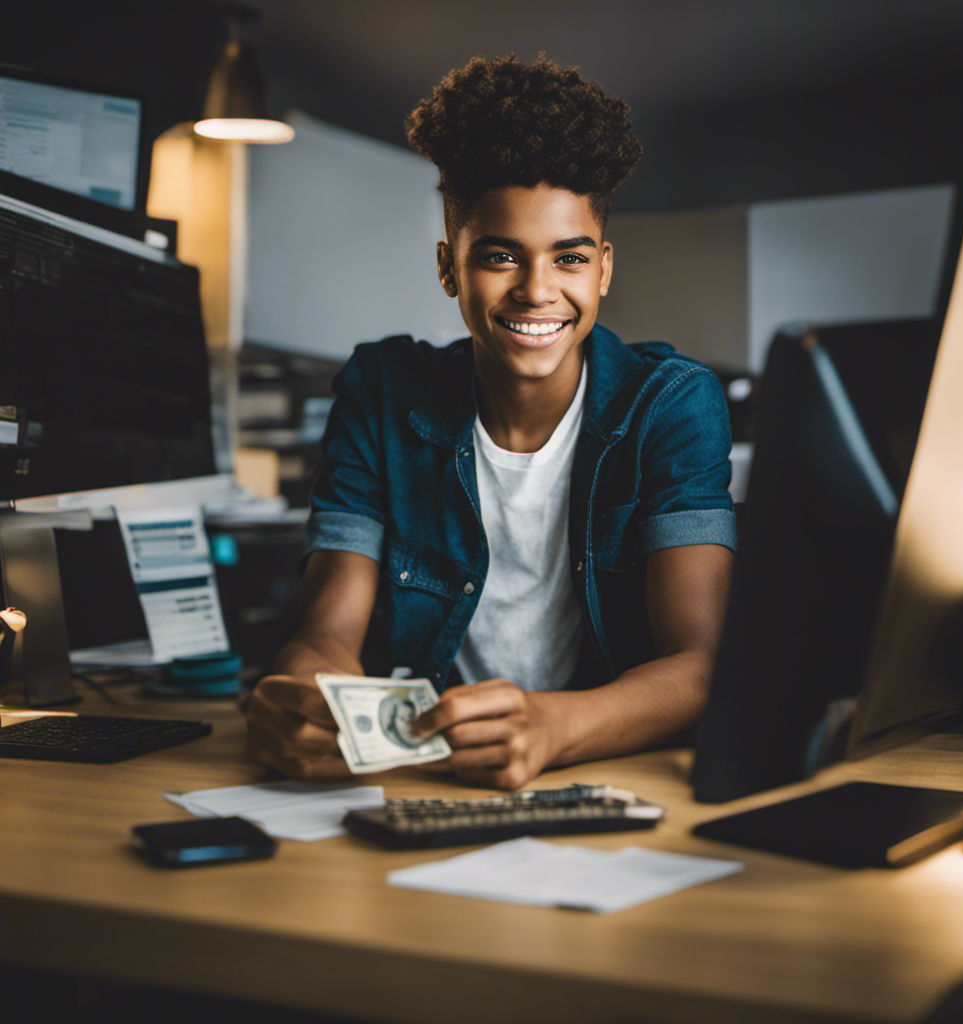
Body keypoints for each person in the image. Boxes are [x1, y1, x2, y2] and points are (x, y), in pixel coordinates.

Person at [246, 54, 736, 789]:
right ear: (450, 268)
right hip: (422, 783)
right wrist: (313, 694)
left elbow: (702, 666)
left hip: (598, 777)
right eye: (501, 257)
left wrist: (552, 726)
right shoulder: (381, 392)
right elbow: (326, 631)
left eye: (568, 259)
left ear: (602, 268)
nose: (537, 291)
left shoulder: (669, 405)